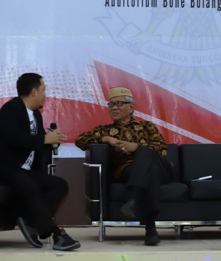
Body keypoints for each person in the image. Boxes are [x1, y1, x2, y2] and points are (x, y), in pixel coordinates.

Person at [75, 87, 172, 246]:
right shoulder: (106, 130)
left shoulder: (147, 126)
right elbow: (80, 140)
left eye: (119, 104)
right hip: (128, 171)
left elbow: (162, 148)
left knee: (145, 153)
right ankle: (150, 229)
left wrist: (136, 147)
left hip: (162, 168)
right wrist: (106, 139)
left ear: (131, 107)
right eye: (111, 104)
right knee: (151, 172)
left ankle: (134, 199)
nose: (114, 108)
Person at [0, 73, 80, 251]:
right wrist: (44, 139)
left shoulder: (36, 113)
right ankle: (56, 235)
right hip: (6, 168)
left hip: (24, 170)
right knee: (31, 188)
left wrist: (51, 140)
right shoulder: (11, 109)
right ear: (34, 91)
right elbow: (14, 138)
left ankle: (30, 222)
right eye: (43, 90)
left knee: (60, 185)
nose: (45, 94)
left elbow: (34, 141)